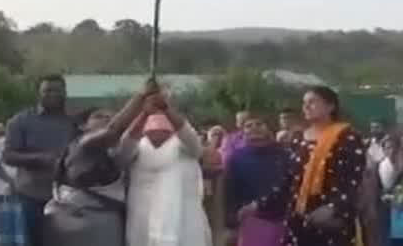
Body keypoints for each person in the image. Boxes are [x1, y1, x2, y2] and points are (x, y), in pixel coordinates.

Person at [240, 86, 366, 246]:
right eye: (304, 102)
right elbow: (289, 181)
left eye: (312, 102)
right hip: (298, 220)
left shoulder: (347, 137)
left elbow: (353, 181)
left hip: (332, 222)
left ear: (331, 106)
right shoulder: (299, 139)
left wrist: (333, 208)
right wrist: (258, 204)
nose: (306, 106)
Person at [44, 83, 157, 246]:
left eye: (110, 116)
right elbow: (114, 130)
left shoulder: (113, 153)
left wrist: (145, 113)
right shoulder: (82, 144)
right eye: (99, 116)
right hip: (76, 220)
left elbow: (129, 136)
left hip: (107, 221)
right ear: (83, 126)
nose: (106, 118)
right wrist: (140, 96)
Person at [122, 86, 212, 246]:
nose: (157, 130)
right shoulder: (137, 149)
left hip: (184, 225)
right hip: (143, 224)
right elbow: (125, 146)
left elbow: (192, 140)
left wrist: (165, 107)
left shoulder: (185, 147)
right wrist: (144, 112)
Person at [3, 74, 78, 246]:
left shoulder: (73, 121)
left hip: (69, 197)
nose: (52, 94)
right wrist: (41, 158)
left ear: (65, 92)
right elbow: (8, 156)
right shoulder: (21, 120)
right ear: (38, 93)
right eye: (47, 90)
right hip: (32, 196)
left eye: (57, 90)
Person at [224, 114, 289, 246]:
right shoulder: (236, 158)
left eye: (259, 124)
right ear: (242, 132)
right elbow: (230, 192)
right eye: (248, 126)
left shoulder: (284, 154)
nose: (254, 128)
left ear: (268, 128)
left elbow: (288, 185)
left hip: (283, 219)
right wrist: (231, 224)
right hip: (252, 220)